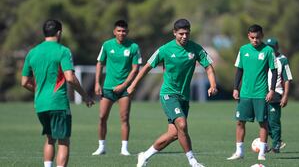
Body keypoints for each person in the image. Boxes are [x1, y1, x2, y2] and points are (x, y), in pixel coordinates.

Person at [127, 18, 217, 167]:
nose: (184, 36)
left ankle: (145, 155)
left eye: (187, 33)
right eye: (181, 33)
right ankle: (193, 162)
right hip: (169, 94)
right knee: (182, 124)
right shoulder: (165, 50)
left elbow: (209, 67)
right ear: (174, 33)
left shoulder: (196, 49)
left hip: (184, 97)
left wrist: (212, 85)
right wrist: (133, 85)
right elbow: (146, 67)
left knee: (174, 134)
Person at [21, 19, 94, 167]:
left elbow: (24, 82)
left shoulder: (32, 53)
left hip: (40, 104)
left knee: (49, 138)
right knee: (63, 141)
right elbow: (70, 78)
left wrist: (40, 91)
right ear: (59, 32)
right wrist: (85, 96)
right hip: (58, 103)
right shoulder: (63, 51)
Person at [227, 24, 277, 161]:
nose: (255, 40)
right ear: (248, 36)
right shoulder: (243, 50)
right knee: (239, 122)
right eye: (253, 37)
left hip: (261, 93)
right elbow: (239, 70)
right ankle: (239, 152)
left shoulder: (268, 51)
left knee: (263, 123)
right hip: (245, 93)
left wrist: (271, 90)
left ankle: (261, 153)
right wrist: (236, 88)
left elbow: (274, 71)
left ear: (262, 36)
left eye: (258, 37)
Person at [92, 20, 142, 156]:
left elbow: (135, 69)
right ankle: (101, 146)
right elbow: (99, 64)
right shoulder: (107, 45)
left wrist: (124, 85)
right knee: (102, 117)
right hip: (108, 88)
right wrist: (97, 83)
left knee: (124, 117)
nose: (122, 33)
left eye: (124, 31)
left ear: (128, 32)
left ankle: (124, 148)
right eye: (119, 31)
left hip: (124, 89)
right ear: (114, 32)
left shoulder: (133, 47)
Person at [265, 38, 293, 153]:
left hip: (276, 93)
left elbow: (287, 79)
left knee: (273, 121)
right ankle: (274, 141)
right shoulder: (264, 58)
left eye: (272, 47)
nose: (269, 49)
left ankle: (276, 144)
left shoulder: (283, 60)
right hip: (262, 92)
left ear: (276, 48)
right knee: (262, 120)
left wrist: (285, 96)